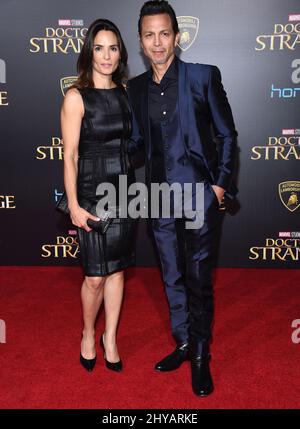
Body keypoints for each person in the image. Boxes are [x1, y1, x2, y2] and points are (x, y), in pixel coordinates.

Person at [127, 1, 238, 395]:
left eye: (164, 33)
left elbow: (227, 135)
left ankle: (202, 355)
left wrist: (220, 186)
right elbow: (137, 145)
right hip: (156, 197)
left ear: (177, 36)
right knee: (171, 276)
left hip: (199, 196)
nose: (157, 43)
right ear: (140, 41)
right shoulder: (136, 89)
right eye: (148, 35)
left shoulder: (203, 77)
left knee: (198, 279)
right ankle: (184, 343)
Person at [61, 18, 136, 373]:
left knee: (117, 271)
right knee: (94, 276)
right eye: (99, 47)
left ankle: (111, 338)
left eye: (113, 48)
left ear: (120, 53)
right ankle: (88, 332)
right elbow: (70, 154)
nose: (106, 56)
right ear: (89, 52)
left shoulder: (125, 92)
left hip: (122, 190)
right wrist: (74, 204)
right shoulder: (76, 96)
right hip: (91, 193)